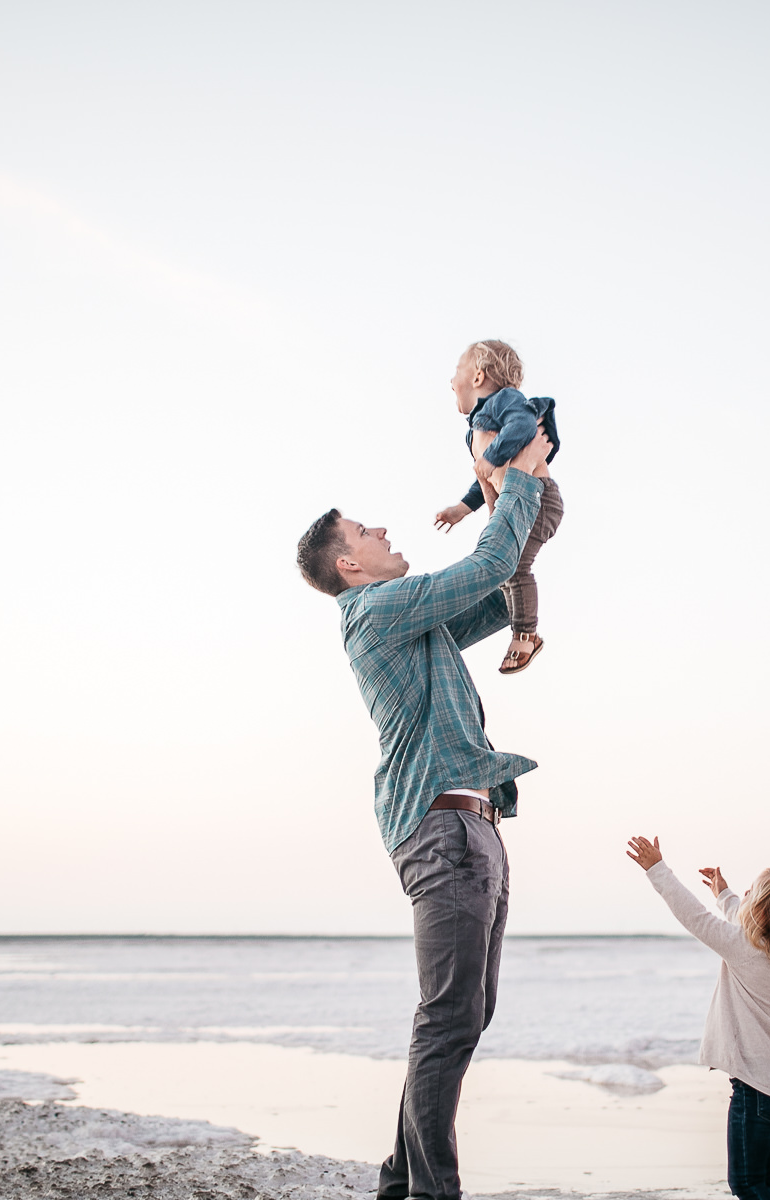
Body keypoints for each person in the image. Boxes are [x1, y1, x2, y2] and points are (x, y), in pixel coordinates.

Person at [294, 428, 552, 1200]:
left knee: (464, 1018)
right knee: (447, 1019)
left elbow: (493, 590)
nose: (383, 532)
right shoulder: (374, 611)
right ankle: (433, 1192)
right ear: (349, 564)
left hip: (473, 830)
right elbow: (485, 566)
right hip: (442, 833)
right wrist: (520, 483)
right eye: (366, 532)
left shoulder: (410, 618)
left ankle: (399, 1181)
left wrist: (518, 502)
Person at [623, 834, 770, 1200]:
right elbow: (740, 921)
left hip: (758, 1090)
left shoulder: (744, 950)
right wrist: (724, 894)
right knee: (768, 1182)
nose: (744, 895)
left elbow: (693, 916)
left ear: (762, 912)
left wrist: (658, 870)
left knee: (746, 1184)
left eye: (751, 893)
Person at [431, 340, 563, 675]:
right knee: (504, 568)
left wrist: (489, 458)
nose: (450, 381)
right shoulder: (479, 426)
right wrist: (463, 507)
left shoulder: (505, 401)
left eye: (456, 372)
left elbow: (522, 428)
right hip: (515, 499)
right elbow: (486, 477)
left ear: (477, 377)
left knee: (514, 566)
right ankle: (516, 620)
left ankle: (526, 636)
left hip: (537, 498)